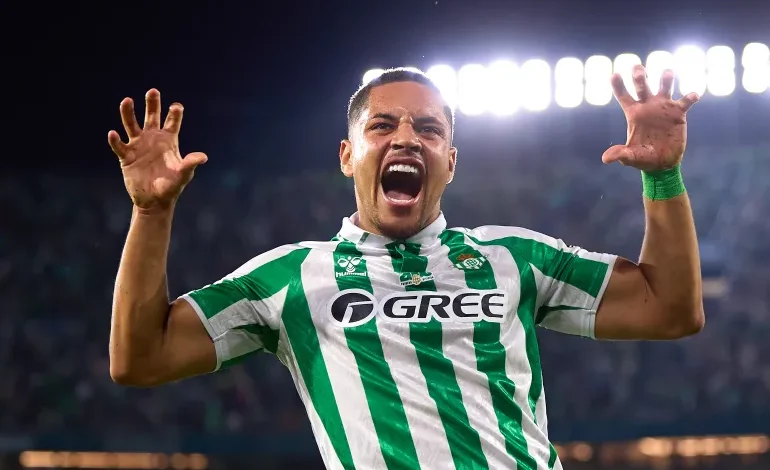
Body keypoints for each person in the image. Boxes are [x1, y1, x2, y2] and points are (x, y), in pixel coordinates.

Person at [107, 65, 704, 470]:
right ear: (348, 156)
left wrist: (663, 177)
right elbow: (141, 357)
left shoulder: (513, 256)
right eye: (382, 125)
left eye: (428, 129)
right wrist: (151, 213)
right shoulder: (291, 277)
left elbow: (670, 309)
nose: (407, 139)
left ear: (451, 161)